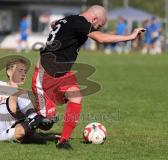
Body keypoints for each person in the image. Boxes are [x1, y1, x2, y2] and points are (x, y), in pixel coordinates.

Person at [31, 5, 145, 150]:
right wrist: (129, 37)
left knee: (76, 96)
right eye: (98, 25)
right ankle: (18, 121)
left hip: (63, 74)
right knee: (45, 123)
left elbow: (54, 23)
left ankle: (63, 141)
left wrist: (57, 26)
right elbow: (101, 39)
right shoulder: (80, 23)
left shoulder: (70, 19)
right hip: (45, 75)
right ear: (94, 18)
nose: (97, 29)